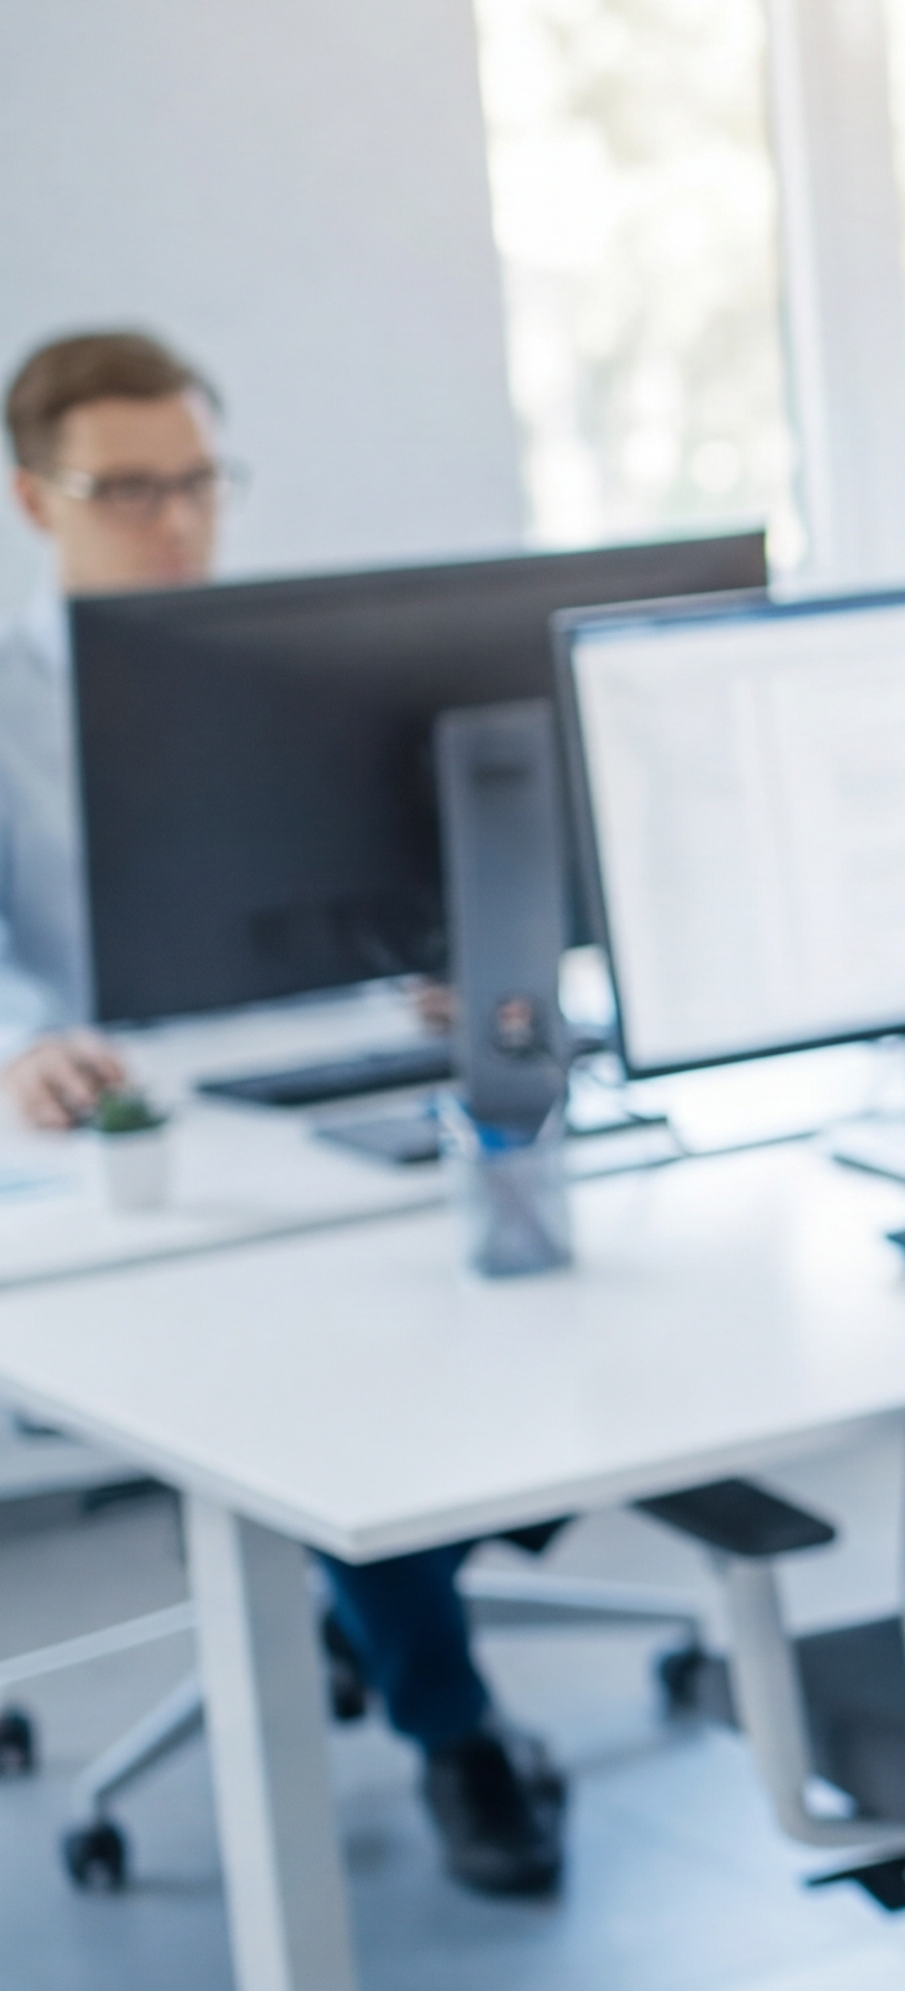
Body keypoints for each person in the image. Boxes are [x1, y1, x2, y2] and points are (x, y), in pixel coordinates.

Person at [2, 328, 572, 1900]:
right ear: (36, 502)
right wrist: (20, 1047)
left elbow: (375, 890)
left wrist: (450, 964)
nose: (175, 524)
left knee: (552, 1279)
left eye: (195, 484)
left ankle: (365, 1592)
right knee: (351, 1370)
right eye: (129, 490)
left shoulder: (295, 663)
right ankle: (451, 1724)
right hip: (136, 1136)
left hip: (335, 1079)